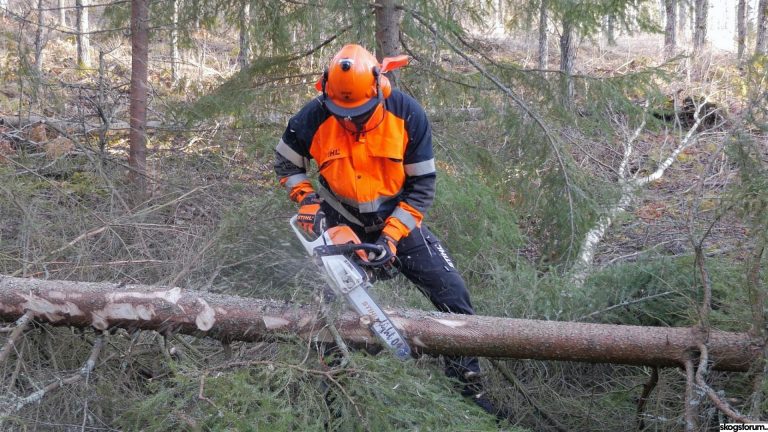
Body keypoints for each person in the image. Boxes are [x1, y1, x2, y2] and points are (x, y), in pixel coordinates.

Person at [273, 44, 496, 415]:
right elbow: (285, 162)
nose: (351, 120)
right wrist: (308, 200)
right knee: (327, 310)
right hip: (342, 220)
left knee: (454, 295)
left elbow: (422, 188)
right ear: (326, 91)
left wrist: (391, 238)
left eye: (358, 112)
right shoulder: (312, 118)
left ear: (380, 88)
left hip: (398, 220)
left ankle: (467, 389)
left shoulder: (407, 115)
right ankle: (335, 394)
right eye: (342, 112)